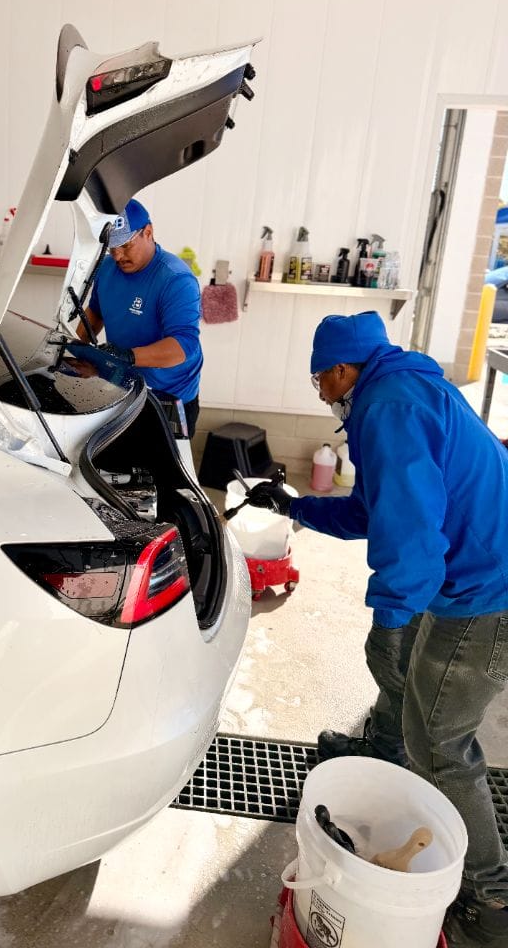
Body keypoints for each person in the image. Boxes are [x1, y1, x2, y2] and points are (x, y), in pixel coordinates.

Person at [245, 311, 508, 948]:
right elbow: (375, 509)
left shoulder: (389, 406)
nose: (318, 390)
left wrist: (393, 615)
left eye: (318, 378)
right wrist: (298, 506)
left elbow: (412, 535)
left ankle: (493, 900)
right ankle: (385, 752)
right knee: (400, 674)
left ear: (340, 370)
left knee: (442, 742)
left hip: (483, 590)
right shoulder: (397, 390)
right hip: (467, 566)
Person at [73, 198, 202, 437]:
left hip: (168, 397)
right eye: (112, 247)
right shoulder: (107, 268)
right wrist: (74, 348)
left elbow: (184, 346)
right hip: (123, 386)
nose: (118, 255)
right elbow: (95, 313)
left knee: (161, 471)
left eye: (125, 245)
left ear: (148, 232)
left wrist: (126, 356)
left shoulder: (176, 280)